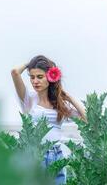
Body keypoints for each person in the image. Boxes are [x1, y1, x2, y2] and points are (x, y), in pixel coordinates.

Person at [11, 55, 86, 184]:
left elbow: (86, 119)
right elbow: (15, 72)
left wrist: (69, 98)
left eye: (40, 77)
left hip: (56, 156)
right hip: (34, 156)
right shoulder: (28, 99)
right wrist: (31, 63)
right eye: (32, 77)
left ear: (50, 78)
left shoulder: (60, 106)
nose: (35, 81)